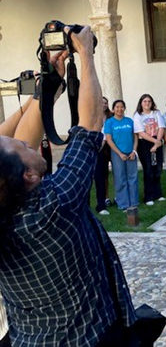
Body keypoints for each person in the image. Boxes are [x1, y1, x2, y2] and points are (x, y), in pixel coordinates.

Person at [0, 26, 139, 346]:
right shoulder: (54, 205)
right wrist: (86, 54)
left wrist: (44, 91)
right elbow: (90, 126)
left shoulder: (7, 213)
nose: (28, 142)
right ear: (28, 176)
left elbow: (6, 148)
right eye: (24, 146)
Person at [105, 100, 140, 210]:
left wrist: (134, 151)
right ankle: (123, 203)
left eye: (122, 107)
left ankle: (134, 202)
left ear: (125, 108)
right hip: (117, 153)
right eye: (117, 107)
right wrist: (119, 153)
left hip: (130, 152)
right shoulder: (110, 122)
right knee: (120, 177)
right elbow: (109, 140)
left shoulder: (129, 121)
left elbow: (135, 137)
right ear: (113, 109)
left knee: (132, 177)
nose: (119, 109)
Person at [133, 93, 166, 206]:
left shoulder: (156, 113)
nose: (147, 103)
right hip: (144, 143)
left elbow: (161, 127)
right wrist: (155, 142)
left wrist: (157, 142)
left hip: (157, 140)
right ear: (141, 103)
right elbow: (140, 132)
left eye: (149, 101)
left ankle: (158, 194)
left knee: (157, 168)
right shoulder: (138, 115)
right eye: (145, 101)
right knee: (148, 170)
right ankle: (148, 196)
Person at [91, 96, 112, 215]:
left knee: (103, 176)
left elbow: (105, 134)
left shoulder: (110, 116)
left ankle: (103, 203)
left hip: (106, 149)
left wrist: (100, 147)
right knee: (94, 177)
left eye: (105, 103)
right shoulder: (92, 116)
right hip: (94, 148)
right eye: (101, 102)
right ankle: (90, 206)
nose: (104, 105)